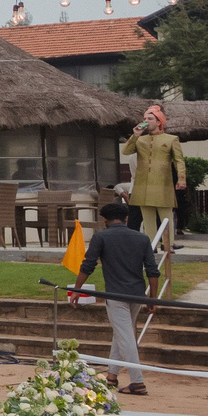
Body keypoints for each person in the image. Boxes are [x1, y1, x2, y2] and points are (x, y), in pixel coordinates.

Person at [70, 202, 159, 396]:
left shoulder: (101, 237)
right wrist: (153, 298)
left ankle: (138, 382)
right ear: (126, 219)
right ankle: (112, 375)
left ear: (104, 220)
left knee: (126, 337)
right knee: (121, 334)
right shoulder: (142, 238)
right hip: (137, 294)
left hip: (115, 295)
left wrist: (77, 289)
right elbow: (153, 271)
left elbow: (88, 265)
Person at [124, 105, 184, 241]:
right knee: (147, 218)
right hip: (142, 185)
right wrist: (135, 135)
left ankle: (169, 244)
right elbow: (126, 151)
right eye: (145, 118)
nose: (146, 120)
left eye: (150, 118)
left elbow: (179, 161)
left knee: (166, 216)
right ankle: (151, 246)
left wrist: (181, 179)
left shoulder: (171, 139)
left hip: (163, 183)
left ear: (159, 122)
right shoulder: (140, 140)